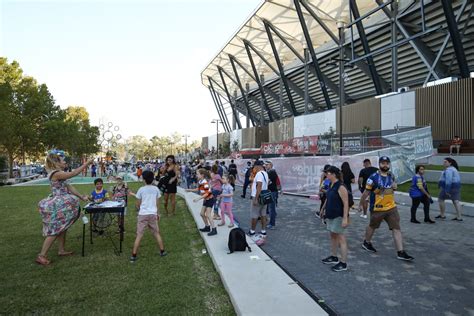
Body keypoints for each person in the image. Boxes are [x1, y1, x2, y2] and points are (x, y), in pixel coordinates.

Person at [36, 149, 93, 265]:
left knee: (62, 227)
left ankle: (61, 250)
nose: (65, 163)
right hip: (58, 204)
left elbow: (69, 187)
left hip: (61, 202)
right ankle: (41, 256)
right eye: (63, 161)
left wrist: (81, 197)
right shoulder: (56, 173)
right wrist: (86, 164)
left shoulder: (59, 173)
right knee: (55, 229)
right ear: (56, 163)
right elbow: (73, 174)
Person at [360, 156, 414, 261]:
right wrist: (360, 205)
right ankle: (366, 242)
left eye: (387, 163)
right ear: (379, 164)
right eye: (383, 163)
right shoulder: (372, 177)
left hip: (391, 208)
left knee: (396, 228)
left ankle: (400, 252)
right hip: (377, 208)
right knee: (372, 226)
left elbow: (392, 188)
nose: (385, 165)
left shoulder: (391, 176)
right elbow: (366, 193)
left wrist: (394, 187)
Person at [130, 170, 167, 262]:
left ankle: (134, 255)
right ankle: (162, 251)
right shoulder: (156, 189)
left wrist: (139, 209)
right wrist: (158, 213)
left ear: (144, 179)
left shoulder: (141, 189)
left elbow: (138, 204)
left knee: (139, 235)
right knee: (156, 233)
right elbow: (157, 203)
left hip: (143, 214)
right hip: (153, 214)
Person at [320, 166, 350, 272]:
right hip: (330, 215)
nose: (325, 175)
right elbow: (328, 198)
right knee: (333, 235)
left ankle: (343, 262)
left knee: (341, 238)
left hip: (338, 215)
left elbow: (346, 203)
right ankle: (334, 256)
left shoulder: (341, 186)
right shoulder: (331, 184)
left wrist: (345, 218)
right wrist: (323, 209)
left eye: (327, 173)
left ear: (333, 174)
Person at [186, 169, 217, 236]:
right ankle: (207, 227)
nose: (196, 175)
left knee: (208, 214)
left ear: (202, 175)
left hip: (210, 199)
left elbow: (207, 193)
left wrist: (198, 198)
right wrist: (190, 190)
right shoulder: (201, 181)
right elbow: (198, 189)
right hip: (206, 199)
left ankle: (214, 229)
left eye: (198, 174)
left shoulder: (205, 182)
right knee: (202, 214)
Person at [249, 160, 269, 236]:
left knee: (254, 215)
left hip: (258, 196)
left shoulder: (259, 174)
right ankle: (263, 230)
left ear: (257, 166)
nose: (254, 168)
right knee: (263, 214)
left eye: (254, 167)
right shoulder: (265, 173)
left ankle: (252, 231)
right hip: (264, 196)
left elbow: (259, 186)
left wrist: (256, 199)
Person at [265, 161, 281, 230]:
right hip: (271, 191)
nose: (266, 166)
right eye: (265, 164)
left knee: (271, 208)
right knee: (270, 208)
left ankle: (272, 224)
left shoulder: (271, 172)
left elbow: (267, 182)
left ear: (271, 165)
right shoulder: (270, 172)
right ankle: (271, 222)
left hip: (272, 192)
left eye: (267, 164)